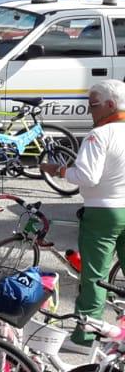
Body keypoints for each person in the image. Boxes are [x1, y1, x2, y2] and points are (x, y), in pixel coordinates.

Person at [42, 80, 125, 345]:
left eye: (93, 104)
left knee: (94, 277)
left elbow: (87, 177)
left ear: (110, 105)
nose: (90, 110)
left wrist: (59, 170)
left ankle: (85, 335)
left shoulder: (98, 135)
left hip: (102, 211)